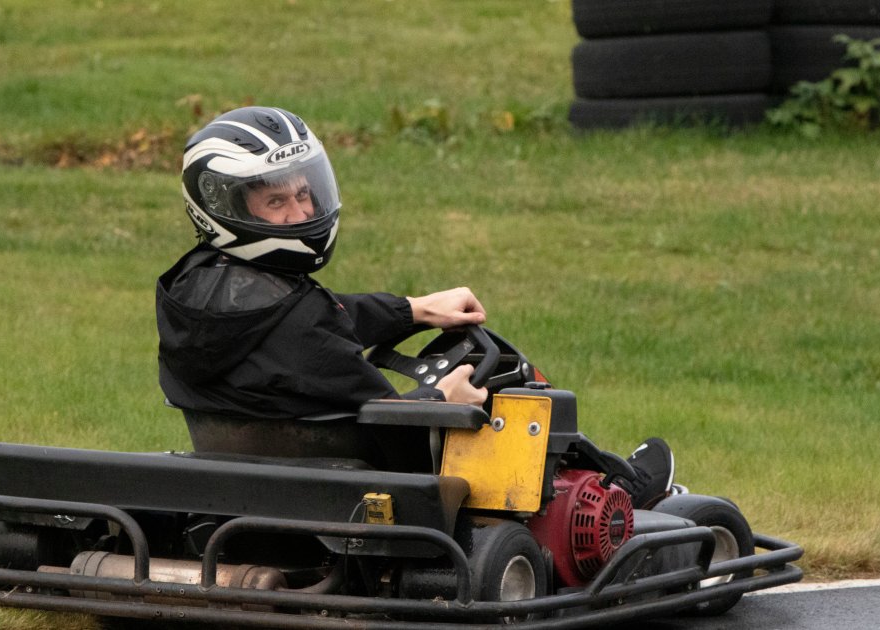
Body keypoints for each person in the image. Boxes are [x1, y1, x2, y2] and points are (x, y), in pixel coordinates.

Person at [156, 106, 675, 505]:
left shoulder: (194, 291)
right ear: (224, 208)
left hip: (255, 485)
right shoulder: (302, 332)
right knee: (504, 379)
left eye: (303, 194)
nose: (301, 212)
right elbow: (392, 432)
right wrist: (440, 398)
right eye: (276, 202)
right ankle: (616, 488)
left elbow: (313, 317)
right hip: (368, 494)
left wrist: (413, 309)